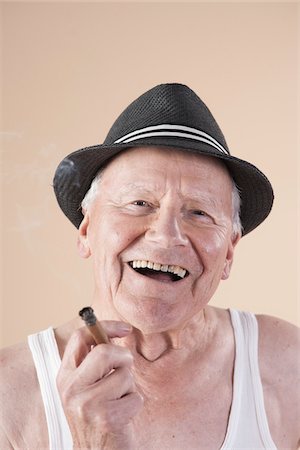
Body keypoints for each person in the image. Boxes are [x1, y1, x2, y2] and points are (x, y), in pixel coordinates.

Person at [0, 83, 299, 450]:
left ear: (230, 251)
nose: (166, 236)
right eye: (139, 203)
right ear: (87, 230)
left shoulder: (288, 367)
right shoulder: (8, 396)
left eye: (199, 212)